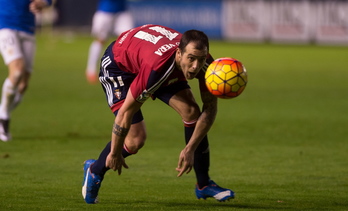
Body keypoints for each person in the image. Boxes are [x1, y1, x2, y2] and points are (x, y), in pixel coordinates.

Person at [82, 24, 235, 204]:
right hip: (119, 66)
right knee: (135, 140)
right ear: (179, 54)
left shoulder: (208, 65)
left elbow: (209, 110)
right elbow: (125, 114)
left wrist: (190, 148)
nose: (195, 67)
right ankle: (95, 170)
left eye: (200, 60)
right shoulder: (157, 69)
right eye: (191, 59)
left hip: (149, 57)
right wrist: (115, 153)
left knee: (192, 111)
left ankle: (203, 185)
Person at [0, 0, 52, 142]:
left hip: (27, 28)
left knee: (23, 85)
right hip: (5, 25)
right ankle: (3, 117)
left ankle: (3, 111)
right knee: (17, 71)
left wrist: (42, 3)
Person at [85, 0, 134, 84]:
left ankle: (128, 71)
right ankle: (91, 70)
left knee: (128, 41)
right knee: (100, 40)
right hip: (105, 11)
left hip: (122, 12)